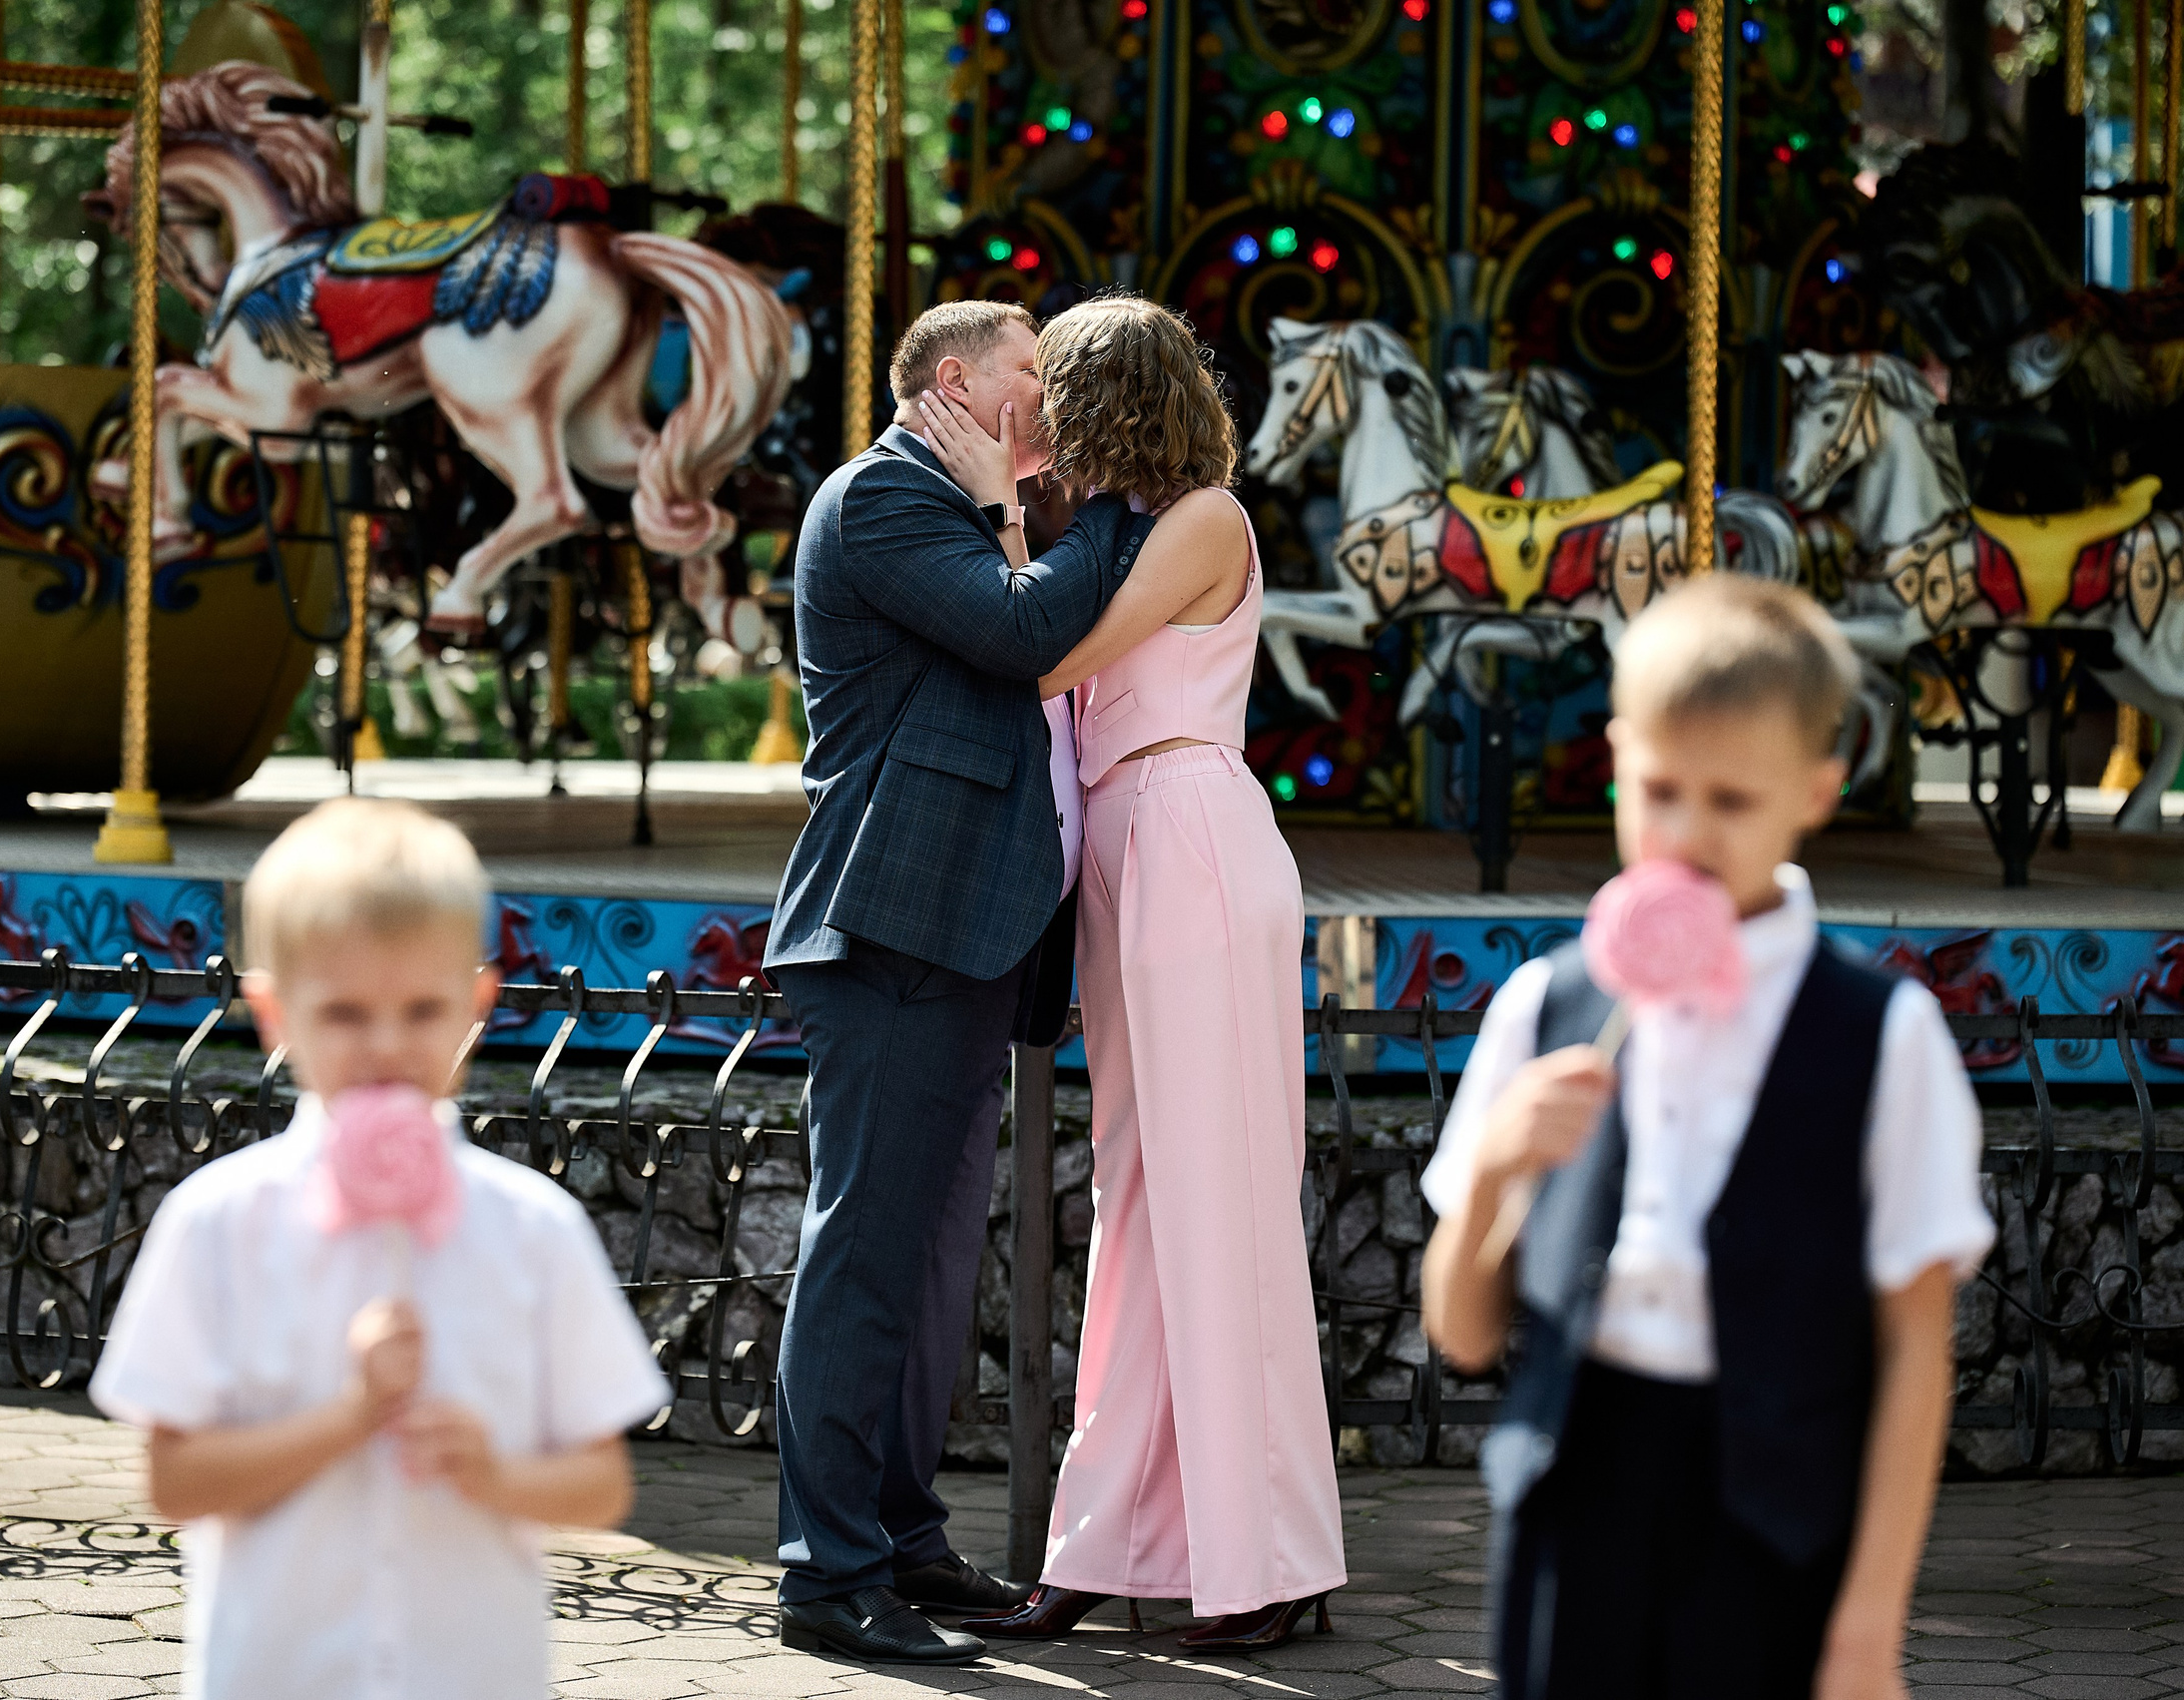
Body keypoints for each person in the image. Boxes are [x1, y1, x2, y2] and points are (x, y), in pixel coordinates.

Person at [1418, 577, 1994, 1700]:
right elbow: (1464, 1334)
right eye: (1658, 789)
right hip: (1572, 1504)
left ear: (1816, 792)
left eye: (1730, 800)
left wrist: (1869, 1631)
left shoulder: (1886, 1036)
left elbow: (1916, 1348)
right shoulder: (1546, 1005)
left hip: (1772, 1522)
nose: (1683, 834)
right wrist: (1492, 1168)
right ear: (1617, 756)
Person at [920, 293, 1349, 1651]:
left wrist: (999, 510)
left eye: (1053, 389)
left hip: (1188, 836)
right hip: (1128, 850)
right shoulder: (1116, 533)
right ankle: (1113, 1538)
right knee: (1142, 1201)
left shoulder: (1205, 518)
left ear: (1109, 398)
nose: (1033, 411)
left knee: (1215, 1196)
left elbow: (1046, 653)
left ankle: (1267, 1554)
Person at [764, 299, 1160, 1667]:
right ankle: (826, 1571)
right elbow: (1023, 631)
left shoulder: (967, 502)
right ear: (955, 382)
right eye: (1027, 377)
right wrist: (1109, 500)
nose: (1047, 402)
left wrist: (1018, 503)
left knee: (928, 1263)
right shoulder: (883, 496)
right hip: (894, 923)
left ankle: (903, 1538)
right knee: (868, 1249)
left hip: (963, 931)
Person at [90, 798, 669, 1700]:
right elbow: (174, 1482)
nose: (390, 1046)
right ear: (274, 1013)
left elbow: (601, 1485)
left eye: (424, 1008)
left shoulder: (532, 1228)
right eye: (347, 1013)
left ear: (476, 1005)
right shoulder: (218, 1224)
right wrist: (352, 1414)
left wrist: (495, 1472)